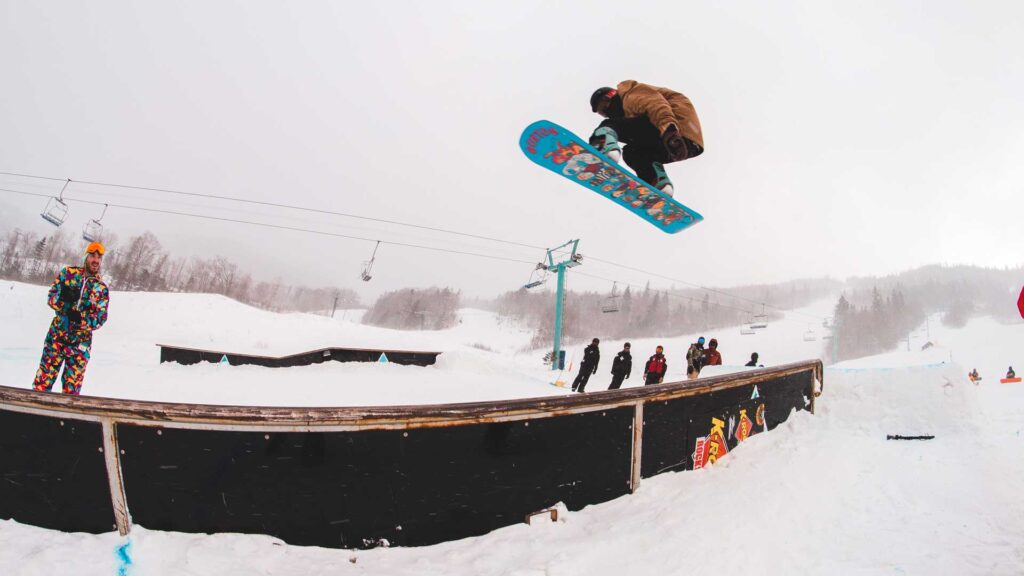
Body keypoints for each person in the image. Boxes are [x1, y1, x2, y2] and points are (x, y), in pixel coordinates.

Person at [589, 81, 704, 197]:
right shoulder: (628, 109)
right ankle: (659, 184)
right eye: (602, 113)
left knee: (609, 125)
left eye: (604, 108)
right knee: (632, 153)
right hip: (687, 145)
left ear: (610, 96)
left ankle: (603, 146)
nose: (606, 113)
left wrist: (669, 131)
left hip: (674, 130)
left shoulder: (630, 94)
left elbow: (656, 105)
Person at [33, 242, 110, 396]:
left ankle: (66, 412)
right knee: (42, 384)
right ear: (86, 257)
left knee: (71, 392)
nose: (95, 260)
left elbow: (100, 318)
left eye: (99, 258)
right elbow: (51, 297)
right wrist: (63, 301)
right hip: (57, 337)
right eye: (92, 256)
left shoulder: (101, 288)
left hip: (80, 345)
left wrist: (82, 319)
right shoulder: (68, 273)